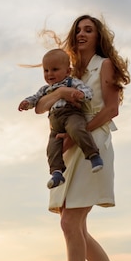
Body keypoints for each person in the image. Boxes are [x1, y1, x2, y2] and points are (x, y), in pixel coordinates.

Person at [34, 15, 131, 261]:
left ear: (98, 36)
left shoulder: (104, 65)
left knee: (71, 222)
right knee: (75, 227)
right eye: (78, 30)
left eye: (89, 30)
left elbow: (111, 109)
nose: (82, 34)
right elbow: (42, 106)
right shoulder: (65, 70)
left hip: (92, 144)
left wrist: (75, 135)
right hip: (69, 150)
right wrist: (60, 96)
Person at [18, 49, 104, 189]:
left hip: (70, 114)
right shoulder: (45, 89)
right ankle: (56, 173)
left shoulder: (71, 82)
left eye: (55, 69)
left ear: (67, 71)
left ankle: (93, 155)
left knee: (77, 129)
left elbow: (88, 91)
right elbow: (35, 99)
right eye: (46, 70)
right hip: (54, 122)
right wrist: (27, 103)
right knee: (52, 147)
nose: (50, 74)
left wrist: (80, 94)